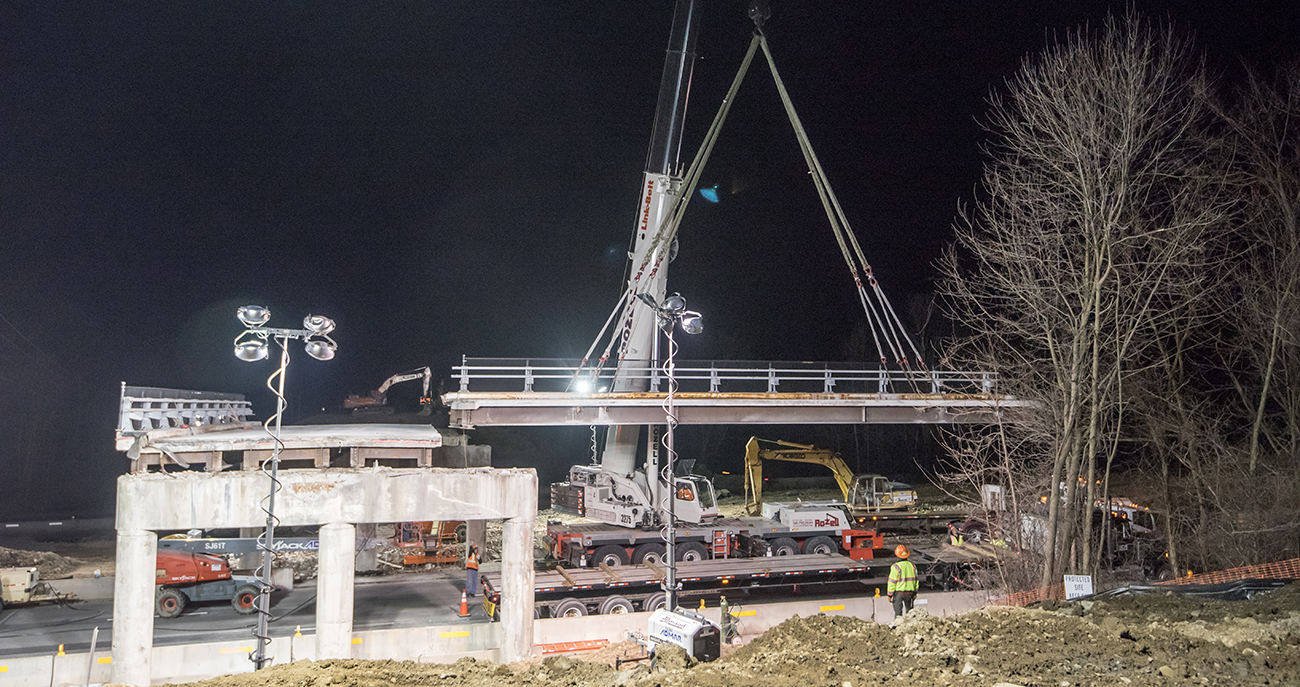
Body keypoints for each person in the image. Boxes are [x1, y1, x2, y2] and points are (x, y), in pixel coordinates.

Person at [887, 544, 918, 619]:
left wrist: (890, 594)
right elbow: (916, 580)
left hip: (899, 593)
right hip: (910, 592)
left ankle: (899, 628)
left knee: (898, 615)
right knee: (910, 614)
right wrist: (915, 592)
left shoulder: (895, 567)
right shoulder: (912, 565)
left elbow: (892, 582)